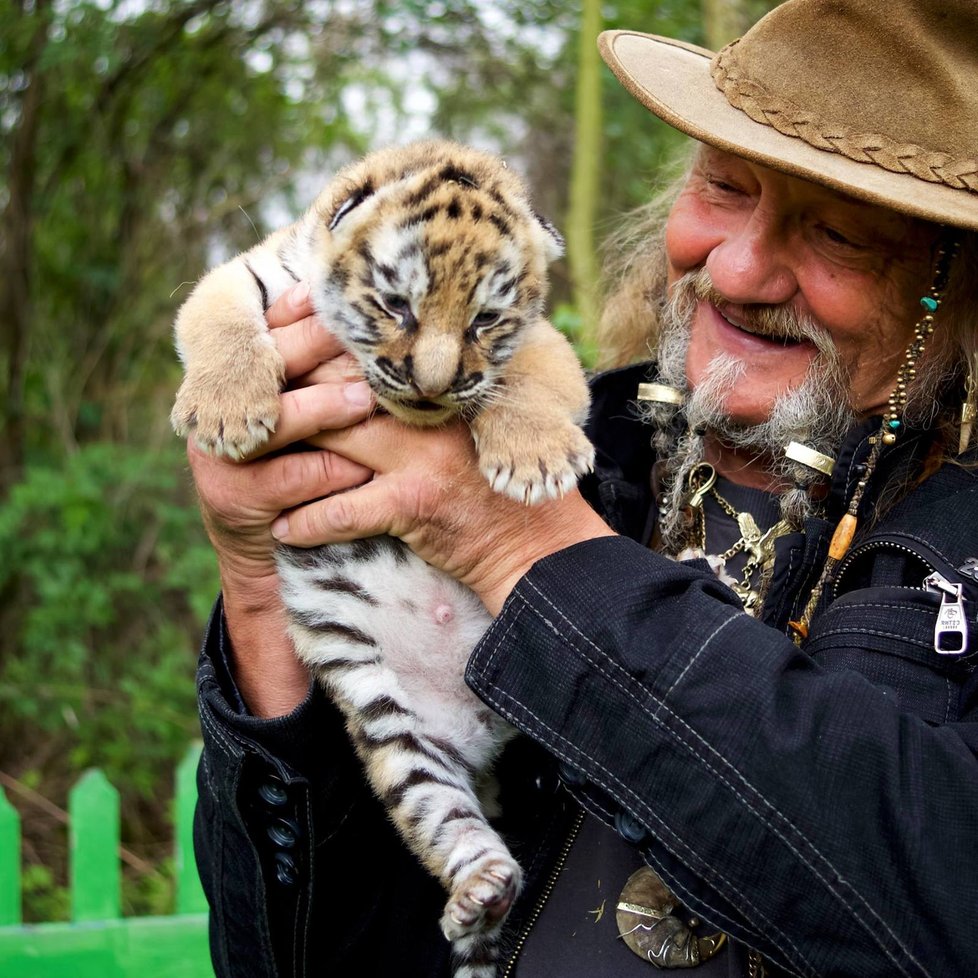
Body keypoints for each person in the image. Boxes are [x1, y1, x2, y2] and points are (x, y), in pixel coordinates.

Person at [187, 1, 978, 975]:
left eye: (840, 236)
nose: (735, 269)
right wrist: (266, 577)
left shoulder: (959, 543)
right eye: (723, 187)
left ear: (955, 288)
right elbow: (293, 954)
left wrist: (519, 548)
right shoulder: (567, 438)